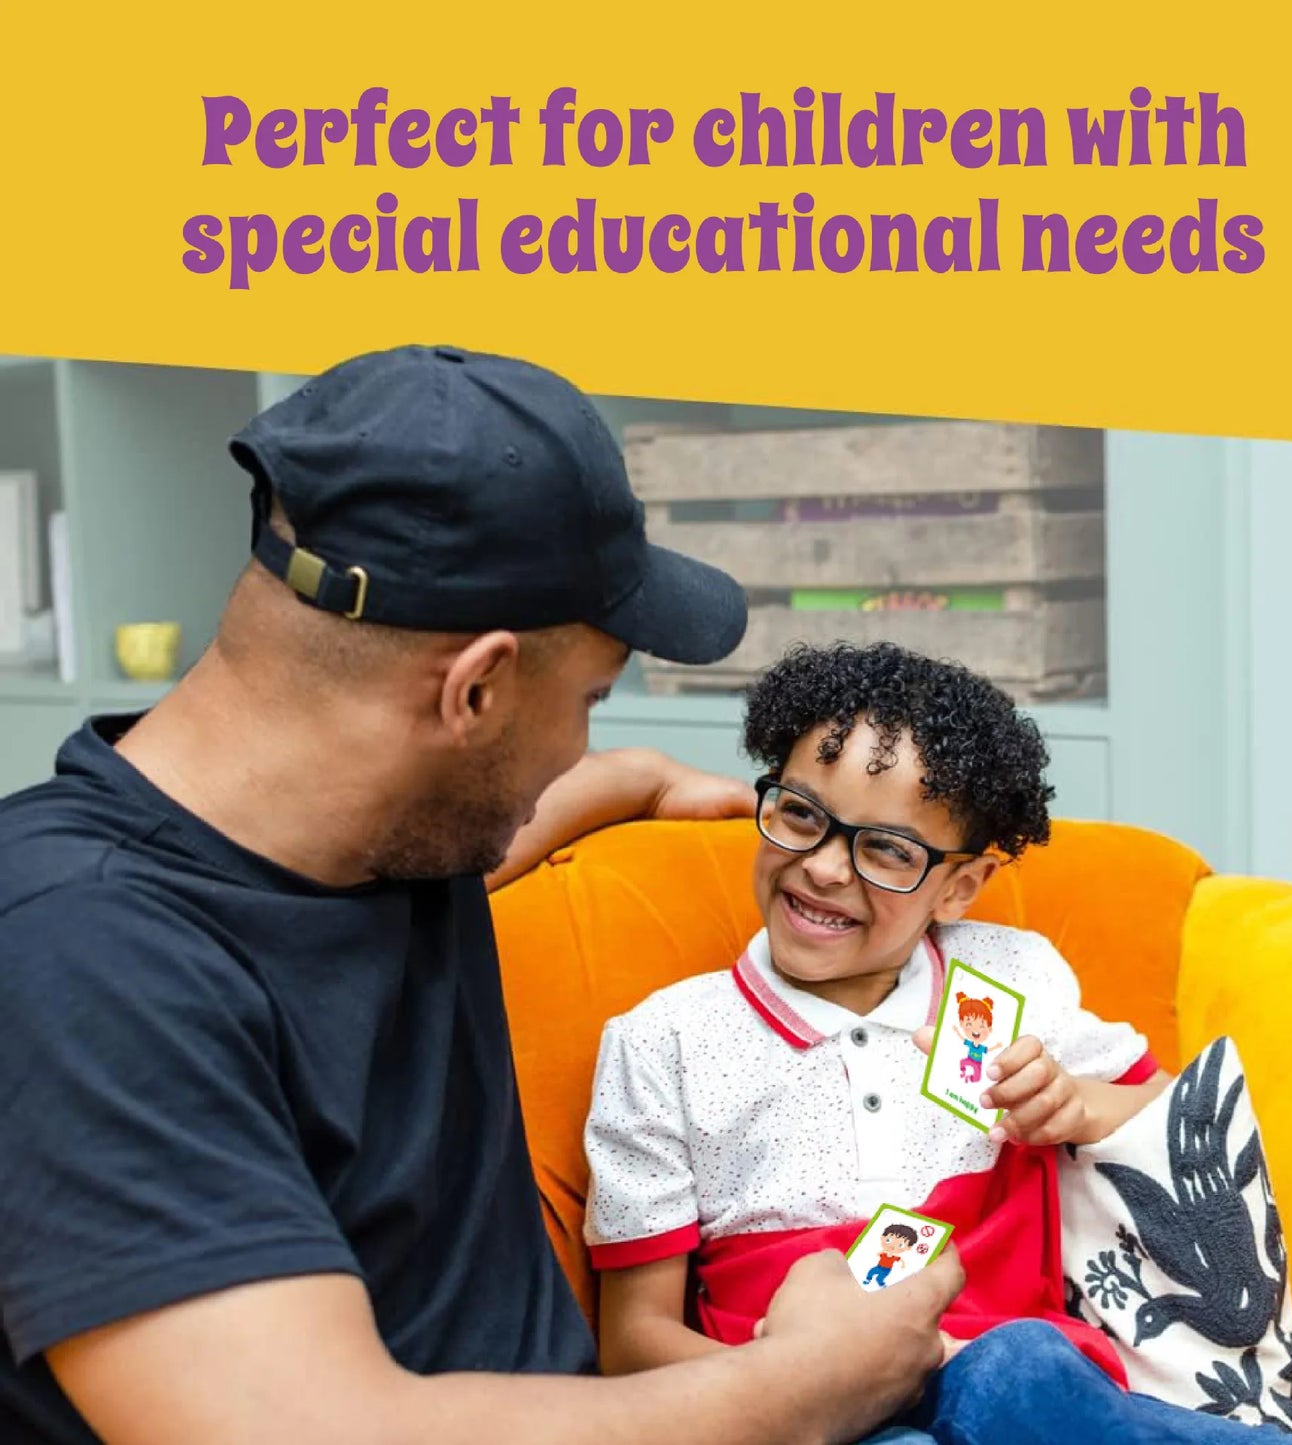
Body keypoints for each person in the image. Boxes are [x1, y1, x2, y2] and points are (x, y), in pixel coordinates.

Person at [0, 347, 964, 1445]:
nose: (579, 745)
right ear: (475, 689)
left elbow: (496, 830)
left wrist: (638, 779)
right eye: (589, 701)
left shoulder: (374, 834)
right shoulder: (73, 957)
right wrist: (814, 1379)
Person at [583, 641, 1292, 1443]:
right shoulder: (661, 1042)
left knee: (1022, 1370)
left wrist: (1075, 1104)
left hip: (1035, 1391)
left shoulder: (1007, 977)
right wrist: (792, 1381)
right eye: (800, 813)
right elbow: (631, 1345)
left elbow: (1168, 1116)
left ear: (960, 886)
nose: (826, 868)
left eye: (886, 850)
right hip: (820, 1414)